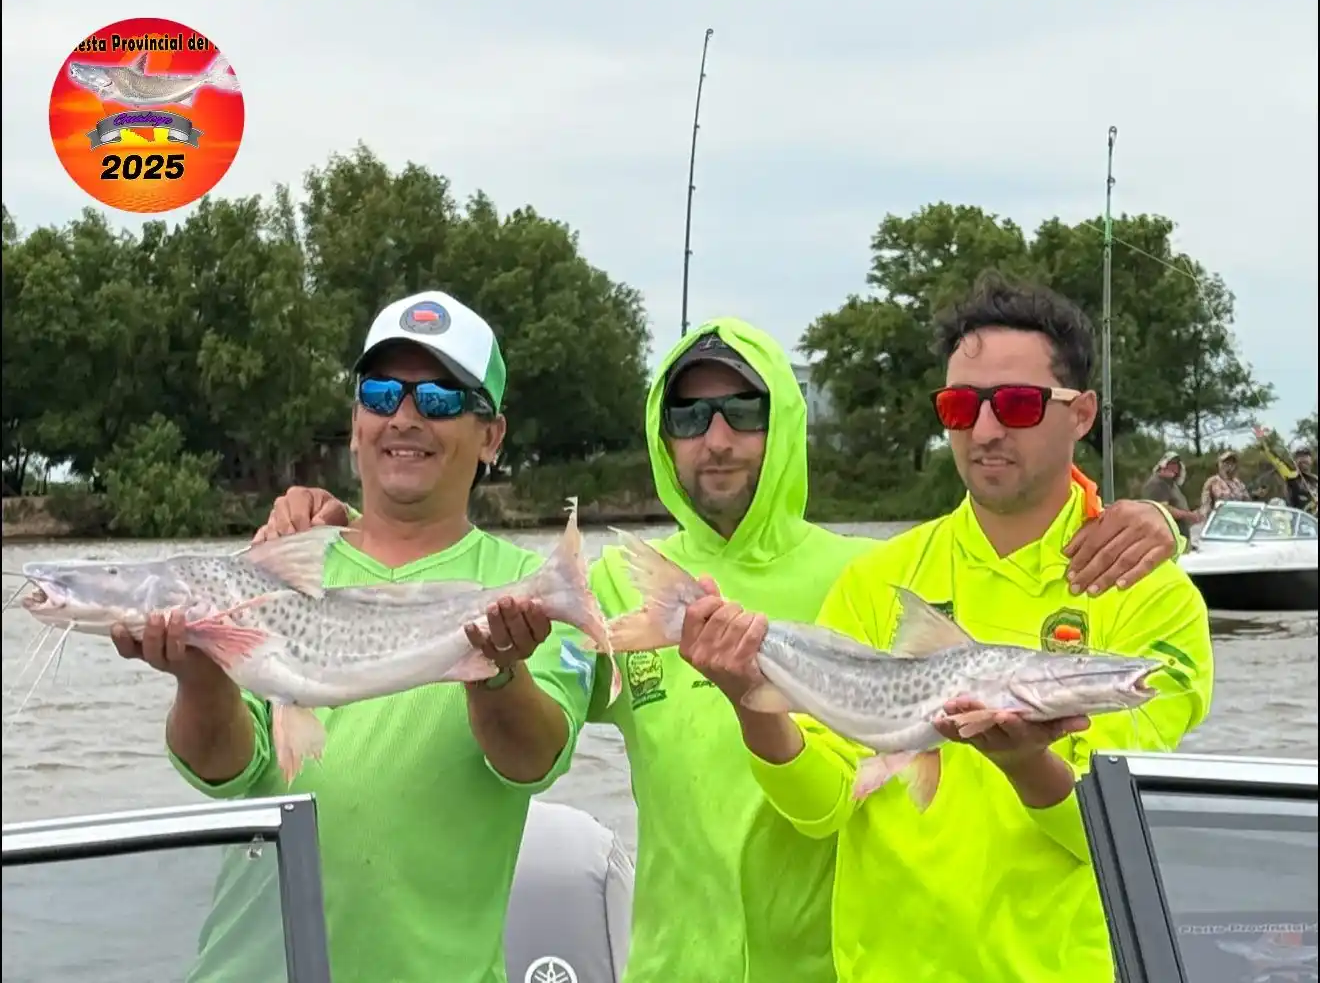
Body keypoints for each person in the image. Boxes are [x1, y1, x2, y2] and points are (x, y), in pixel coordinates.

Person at [264, 317, 1183, 983]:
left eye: (743, 412)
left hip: (837, 966)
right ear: (662, 437)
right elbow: (525, 738)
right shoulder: (614, 585)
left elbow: (990, 577)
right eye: (688, 418)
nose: (716, 440)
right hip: (671, 967)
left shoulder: (862, 578)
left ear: (781, 424)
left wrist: (1145, 520)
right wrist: (335, 537)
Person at [677, 272, 1214, 983]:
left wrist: (1026, 760)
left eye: (1019, 404)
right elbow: (825, 806)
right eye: (962, 406)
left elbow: (1116, 837)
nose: (985, 430)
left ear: (1081, 413)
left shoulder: (1152, 593)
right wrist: (748, 699)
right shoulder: (882, 577)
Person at [111, 291, 598, 983]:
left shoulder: (528, 585)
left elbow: (533, 759)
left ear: (492, 436)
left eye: (439, 399)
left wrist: (497, 670)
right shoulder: (276, 558)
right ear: (354, 423)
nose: (403, 417)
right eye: (380, 393)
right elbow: (229, 772)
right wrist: (199, 672)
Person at [1254, 427, 1318, 514]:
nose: (1303, 459)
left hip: (1313, 521)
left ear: (1311, 459)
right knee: (1276, 502)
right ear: (1295, 460)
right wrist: (1263, 441)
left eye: (1306, 455)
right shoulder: (1291, 475)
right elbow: (1275, 459)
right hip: (1296, 519)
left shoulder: (1315, 480)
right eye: (1299, 456)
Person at [1142, 449, 1202, 539]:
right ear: (1163, 465)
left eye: (1176, 465)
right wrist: (1188, 515)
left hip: (1179, 536)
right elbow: (1163, 509)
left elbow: (1178, 506)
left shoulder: (1171, 484)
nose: (1173, 468)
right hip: (1165, 538)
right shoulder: (1157, 483)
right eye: (1170, 464)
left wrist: (1193, 516)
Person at [1200, 448, 1251, 516]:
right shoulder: (1211, 482)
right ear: (1219, 464)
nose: (1229, 465)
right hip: (1220, 519)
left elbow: (1248, 502)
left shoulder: (1238, 483)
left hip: (1239, 518)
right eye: (1226, 462)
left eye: (1232, 462)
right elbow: (1205, 506)